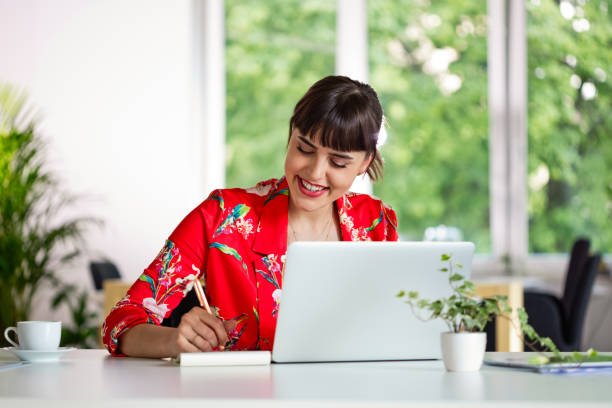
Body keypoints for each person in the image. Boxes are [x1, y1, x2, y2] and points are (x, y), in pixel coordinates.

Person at [102, 75, 399, 358]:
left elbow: (396, 329)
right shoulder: (224, 215)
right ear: (290, 135)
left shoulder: (376, 225)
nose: (314, 172)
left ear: (364, 163)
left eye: (338, 161)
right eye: (304, 149)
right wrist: (174, 340)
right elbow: (120, 322)